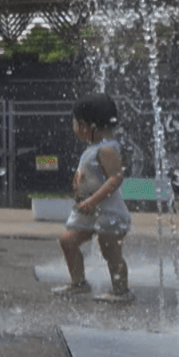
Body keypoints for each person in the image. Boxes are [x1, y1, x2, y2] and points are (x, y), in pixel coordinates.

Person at [54, 93, 132, 301]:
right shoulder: (94, 149)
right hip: (89, 212)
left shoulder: (107, 149)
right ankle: (78, 283)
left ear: (87, 127)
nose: (73, 127)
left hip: (107, 213)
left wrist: (91, 200)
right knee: (68, 240)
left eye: (75, 123)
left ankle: (121, 291)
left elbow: (116, 179)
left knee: (110, 251)